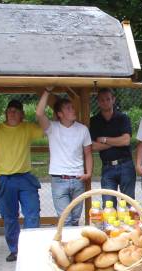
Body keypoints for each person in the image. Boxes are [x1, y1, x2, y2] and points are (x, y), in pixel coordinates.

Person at [0, 99, 44, 262]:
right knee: (9, 217)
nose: (12, 113)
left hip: (25, 178)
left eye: (16, 110)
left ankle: (30, 248)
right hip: (5, 179)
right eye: (9, 110)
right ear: (5, 113)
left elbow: (46, 128)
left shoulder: (28, 128)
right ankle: (15, 250)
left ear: (22, 114)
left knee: (33, 213)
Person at [36, 89, 93, 226]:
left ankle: (73, 246)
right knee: (65, 220)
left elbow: (88, 153)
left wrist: (89, 173)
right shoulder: (51, 128)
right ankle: (66, 246)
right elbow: (39, 113)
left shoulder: (83, 129)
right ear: (60, 114)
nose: (73, 110)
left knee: (74, 220)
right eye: (68, 108)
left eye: (72, 107)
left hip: (78, 179)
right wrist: (47, 91)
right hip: (59, 179)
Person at [90, 88, 134, 204]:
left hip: (125, 165)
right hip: (107, 168)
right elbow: (93, 146)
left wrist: (104, 140)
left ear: (113, 100)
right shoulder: (94, 121)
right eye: (102, 100)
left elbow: (126, 141)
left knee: (129, 203)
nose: (105, 102)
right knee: (108, 204)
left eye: (108, 99)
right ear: (98, 102)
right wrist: (115, 142)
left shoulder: (123, 118)